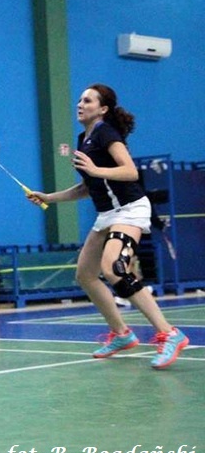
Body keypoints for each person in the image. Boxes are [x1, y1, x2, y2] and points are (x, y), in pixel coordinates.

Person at [27, 83, 188, 369]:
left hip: (130, 209)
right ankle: (122, 333)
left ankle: (169, 333)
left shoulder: (106, 132)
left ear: (103, 109)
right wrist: (49, 198)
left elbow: (130, 171)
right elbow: (87, 187)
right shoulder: (84, 138)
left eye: (87, 101)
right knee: (85, 275)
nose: (80, 104)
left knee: (114, 267)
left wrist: (95, 169)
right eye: (79, 99)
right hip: (106, 213)